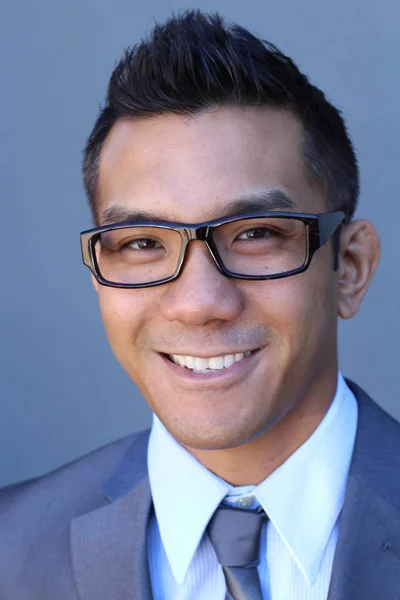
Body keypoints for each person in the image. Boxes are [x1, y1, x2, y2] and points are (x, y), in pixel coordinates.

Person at [0, 9, 398, 600]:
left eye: (257, 233)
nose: (199, 304)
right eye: (141, 244)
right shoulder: (11, 547)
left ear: (351, 268)